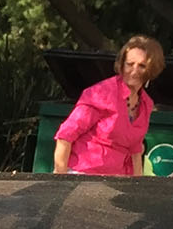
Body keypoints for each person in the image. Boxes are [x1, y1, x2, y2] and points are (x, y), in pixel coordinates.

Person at [52, 35, 166, 176]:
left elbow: (135, 150)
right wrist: (60, 178)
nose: (134, 71)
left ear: (151, 70)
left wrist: (137, 185)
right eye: (129, 64)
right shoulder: (102, 93)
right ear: (122, 64)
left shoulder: (146, 104)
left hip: (116, 178)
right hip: (82, 173)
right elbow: (66, 134)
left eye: (142, 66)